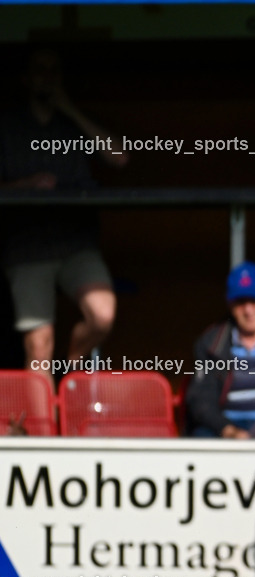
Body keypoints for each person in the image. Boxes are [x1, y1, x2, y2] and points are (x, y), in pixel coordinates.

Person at [1, 48, 128, 388]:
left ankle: (68, 373)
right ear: (26, 79)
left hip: (76, 242)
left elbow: (119, 157)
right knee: (39, 344)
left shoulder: (73, 121)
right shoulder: (8, 125)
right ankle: (40, 432)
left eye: (53, 70)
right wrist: (24, 185)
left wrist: (69, 108)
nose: (47, 77)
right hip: (26, 245)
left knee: (102, 314)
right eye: (40, 69)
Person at [187, 261, 255, 440]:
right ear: (230, 304)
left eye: (254, 300)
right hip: (229, 426)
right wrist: (227, 429)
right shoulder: (210, 343)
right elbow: (200, 398)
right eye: (240, 302)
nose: (248, 310)